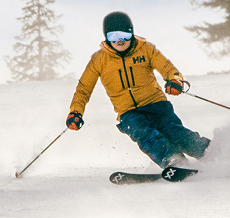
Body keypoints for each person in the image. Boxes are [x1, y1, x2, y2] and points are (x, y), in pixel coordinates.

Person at [66, 11, 210, 168]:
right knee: (142, 132)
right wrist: (76, 112)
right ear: (106, 38)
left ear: (131, 33)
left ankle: (210, 152)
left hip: (156, 104)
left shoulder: (145, 49)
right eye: (113, 37)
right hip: (129, 112)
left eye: (124, 35)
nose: (120, 41)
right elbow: (83, 89)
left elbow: (167, 68)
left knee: (175, 132)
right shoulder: (98, 60)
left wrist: (175, 80)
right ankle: (173, 159)